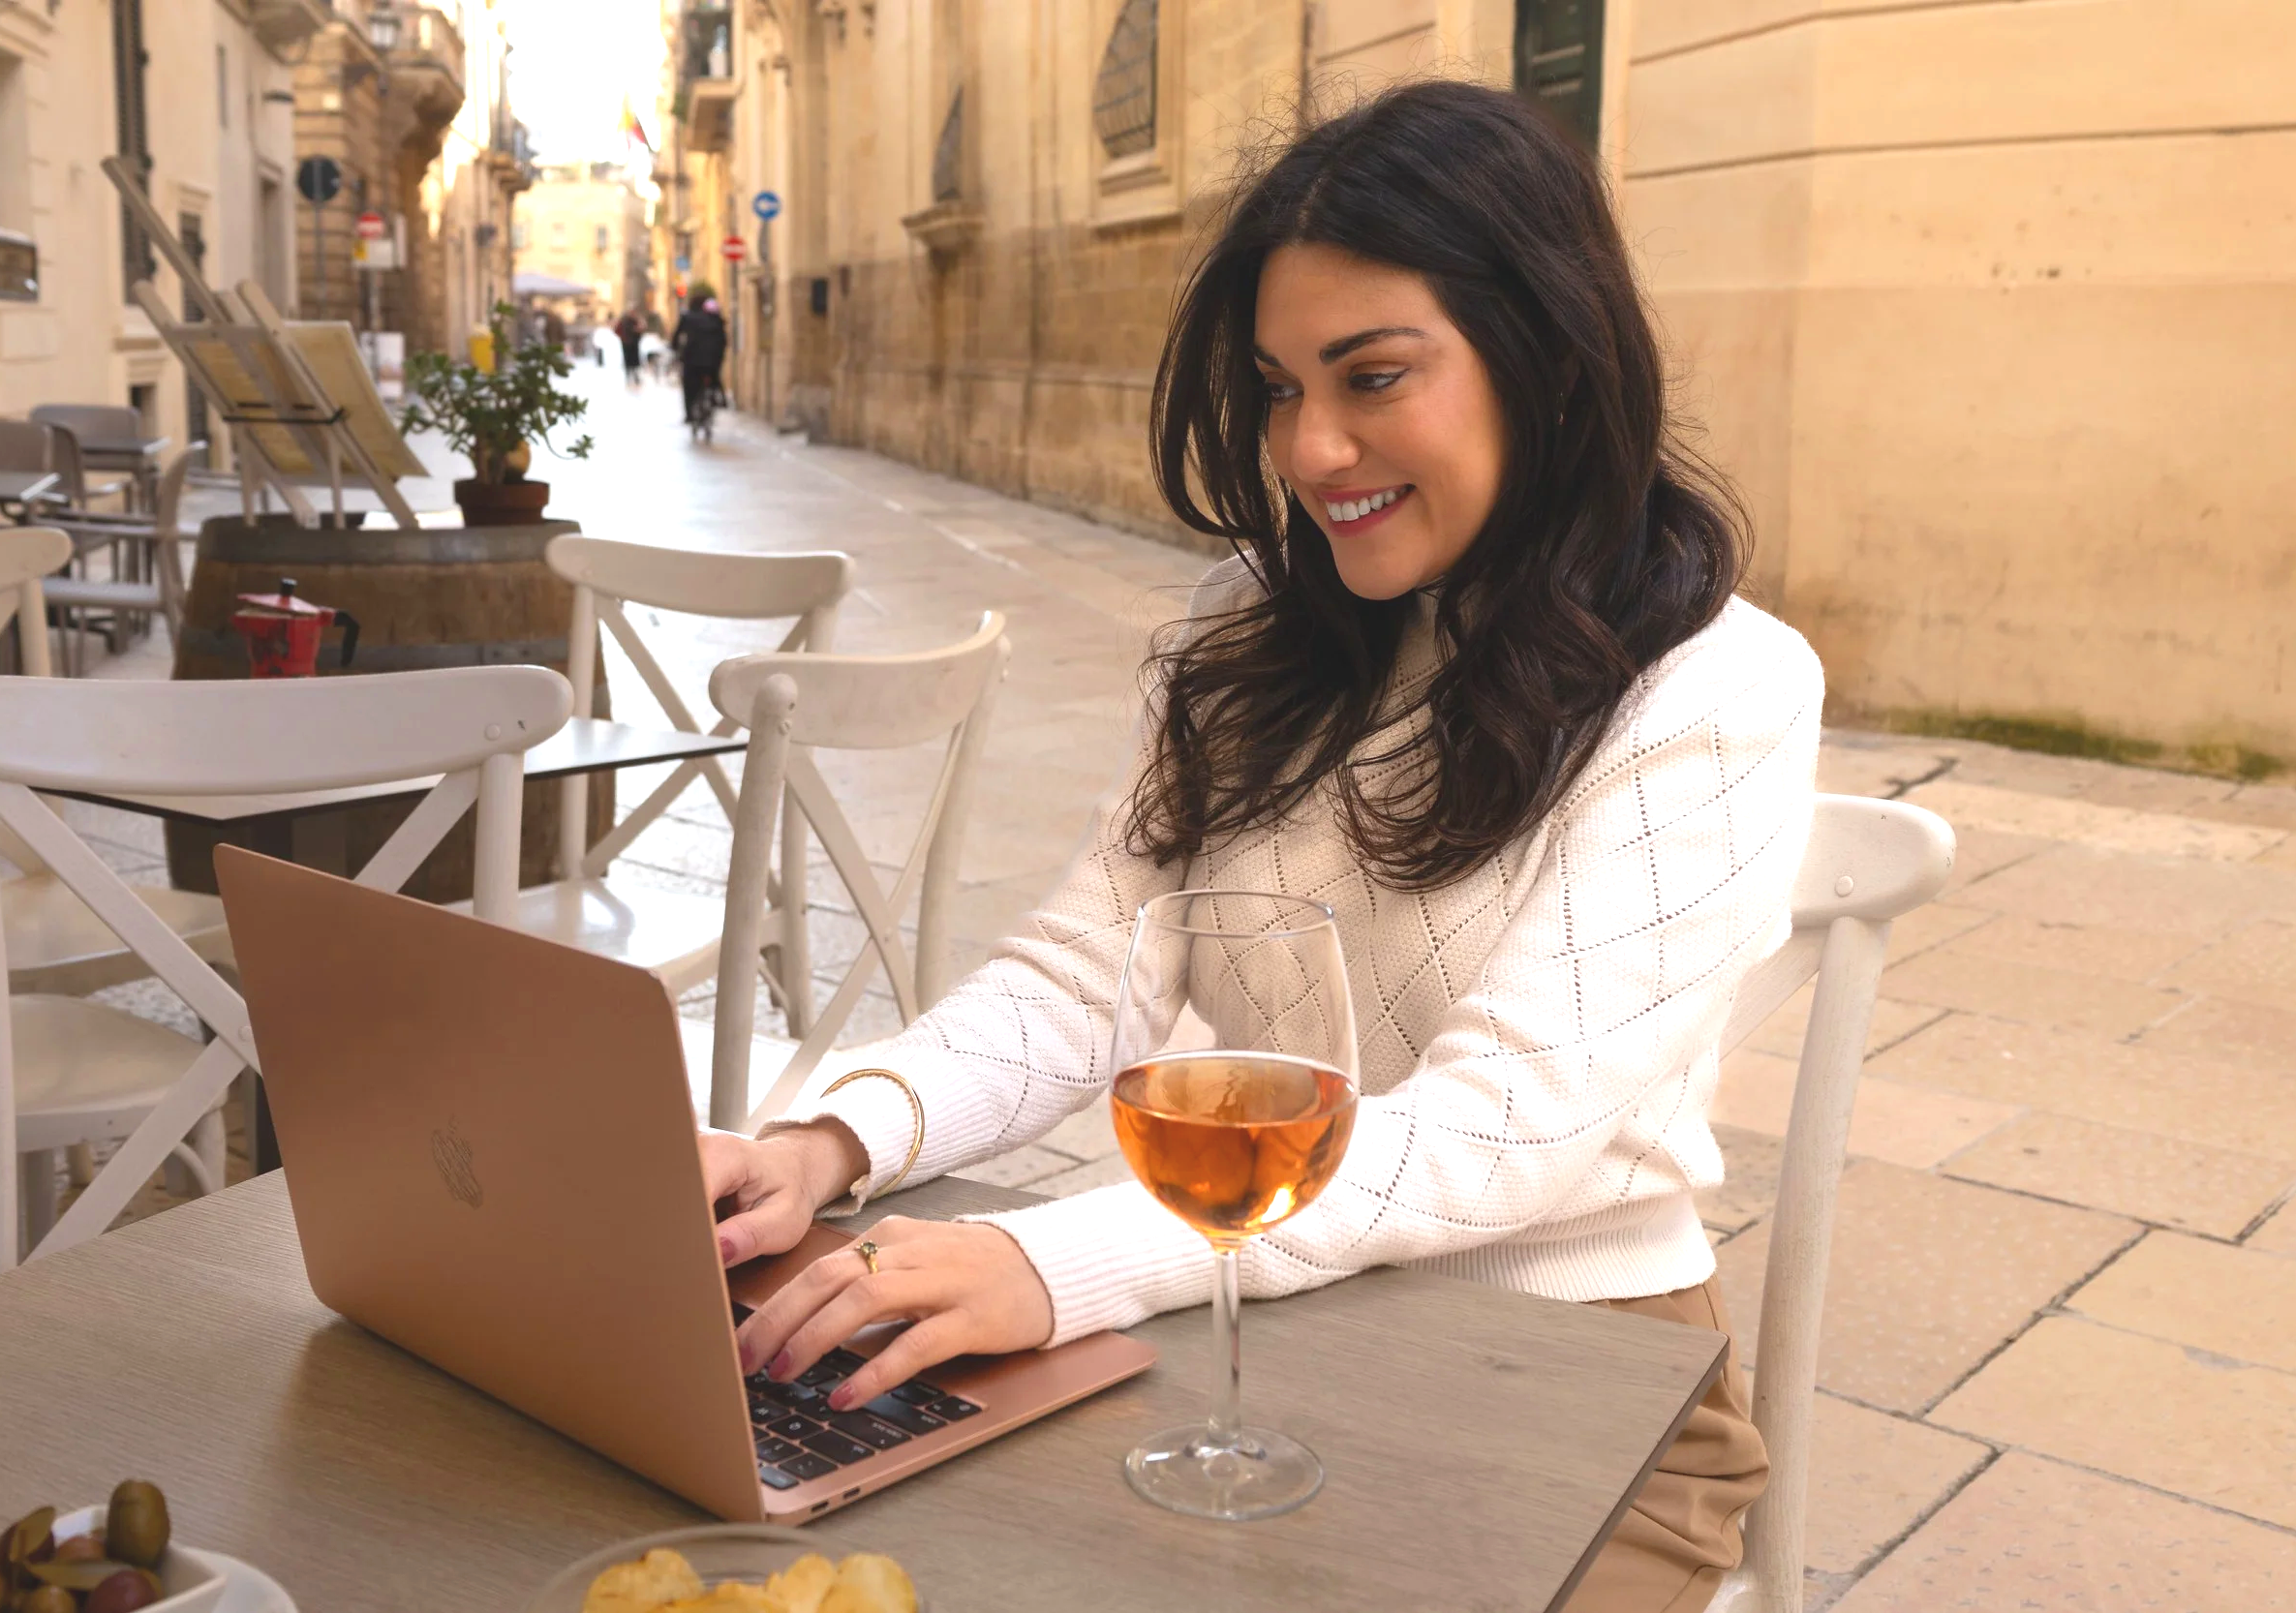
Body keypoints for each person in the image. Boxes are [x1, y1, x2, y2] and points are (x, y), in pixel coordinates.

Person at [701, 81, 1821, 1613]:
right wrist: (831, 1140)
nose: (1310, 446)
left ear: (1548, 357)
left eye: (1373, 376)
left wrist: (1055, 1264)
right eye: (1280, 386)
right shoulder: (1257, 627)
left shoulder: (1718, 684)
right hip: (1250, 1326)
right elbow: (1083, 974)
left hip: (1581, 1385)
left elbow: (1507, 1126)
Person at [673, 289, 729, 425]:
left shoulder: (688, 317)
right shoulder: (715, 318)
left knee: (689, 385)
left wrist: (675, 349)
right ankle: (719, 399)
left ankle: (690, 415)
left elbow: (676, 336)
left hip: (692, 359)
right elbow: (723, 339)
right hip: (713, 359)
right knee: (714, 378)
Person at [615, 309, 646, 387]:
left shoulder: (635, 320)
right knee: (628, 361)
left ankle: (635, 378)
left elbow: (642, 329)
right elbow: (618, 330)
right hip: (627, 343)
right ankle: (629, 378)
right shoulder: (624, 321)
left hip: (633, 344)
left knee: (634, 361)